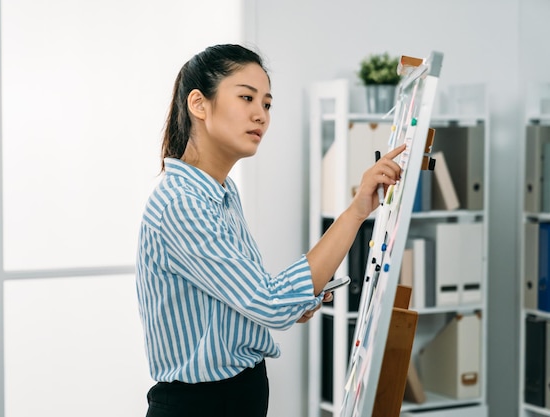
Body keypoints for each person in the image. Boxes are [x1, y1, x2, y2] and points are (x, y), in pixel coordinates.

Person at [135, 44, 404, 417]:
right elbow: (269, 302)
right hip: (201, 407)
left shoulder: (223, 193)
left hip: (236, 396)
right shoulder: (182, 203)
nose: (260, 115)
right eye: (247, 97)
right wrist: (356, 211)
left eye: (267, 104)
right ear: (198, 104)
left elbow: (245, 295)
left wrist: (299, 300)